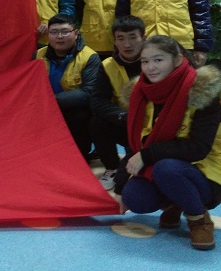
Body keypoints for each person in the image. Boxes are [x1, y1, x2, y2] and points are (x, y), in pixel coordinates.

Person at [113, 35, 221, 251]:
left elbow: (198, 148)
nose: (150, 67)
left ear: (178, 60)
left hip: (206, 173)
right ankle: (175, 202)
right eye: (145, 61)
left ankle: (199, 220)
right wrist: (120, 185)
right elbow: (136, 146)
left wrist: (147, 155)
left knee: (166, 168)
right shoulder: (141, 94)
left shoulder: (203, 93)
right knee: (134, 198)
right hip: (164, 167)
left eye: (158, 60)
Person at [89, 16, 145, 190]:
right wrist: (124, 116)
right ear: (114, 41)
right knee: (97, 122)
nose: (127, 44)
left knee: (137, 180)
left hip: (153, 125)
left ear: (143, 38)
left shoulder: (156, 61)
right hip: (125, 121)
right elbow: (97, 100)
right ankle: (112, 167)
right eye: (121, 38)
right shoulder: (107, 65)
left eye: (133, 37)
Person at [34, 14, 100, 160]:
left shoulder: (90, 57)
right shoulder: (38, 55)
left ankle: (79, 158)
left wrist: (52, 101)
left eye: (65, 32)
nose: (59, 37)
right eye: (54, 32)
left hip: (74, 108)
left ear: (76, 34)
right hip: (44, 107)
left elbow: (88, 92)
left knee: (80, 116)